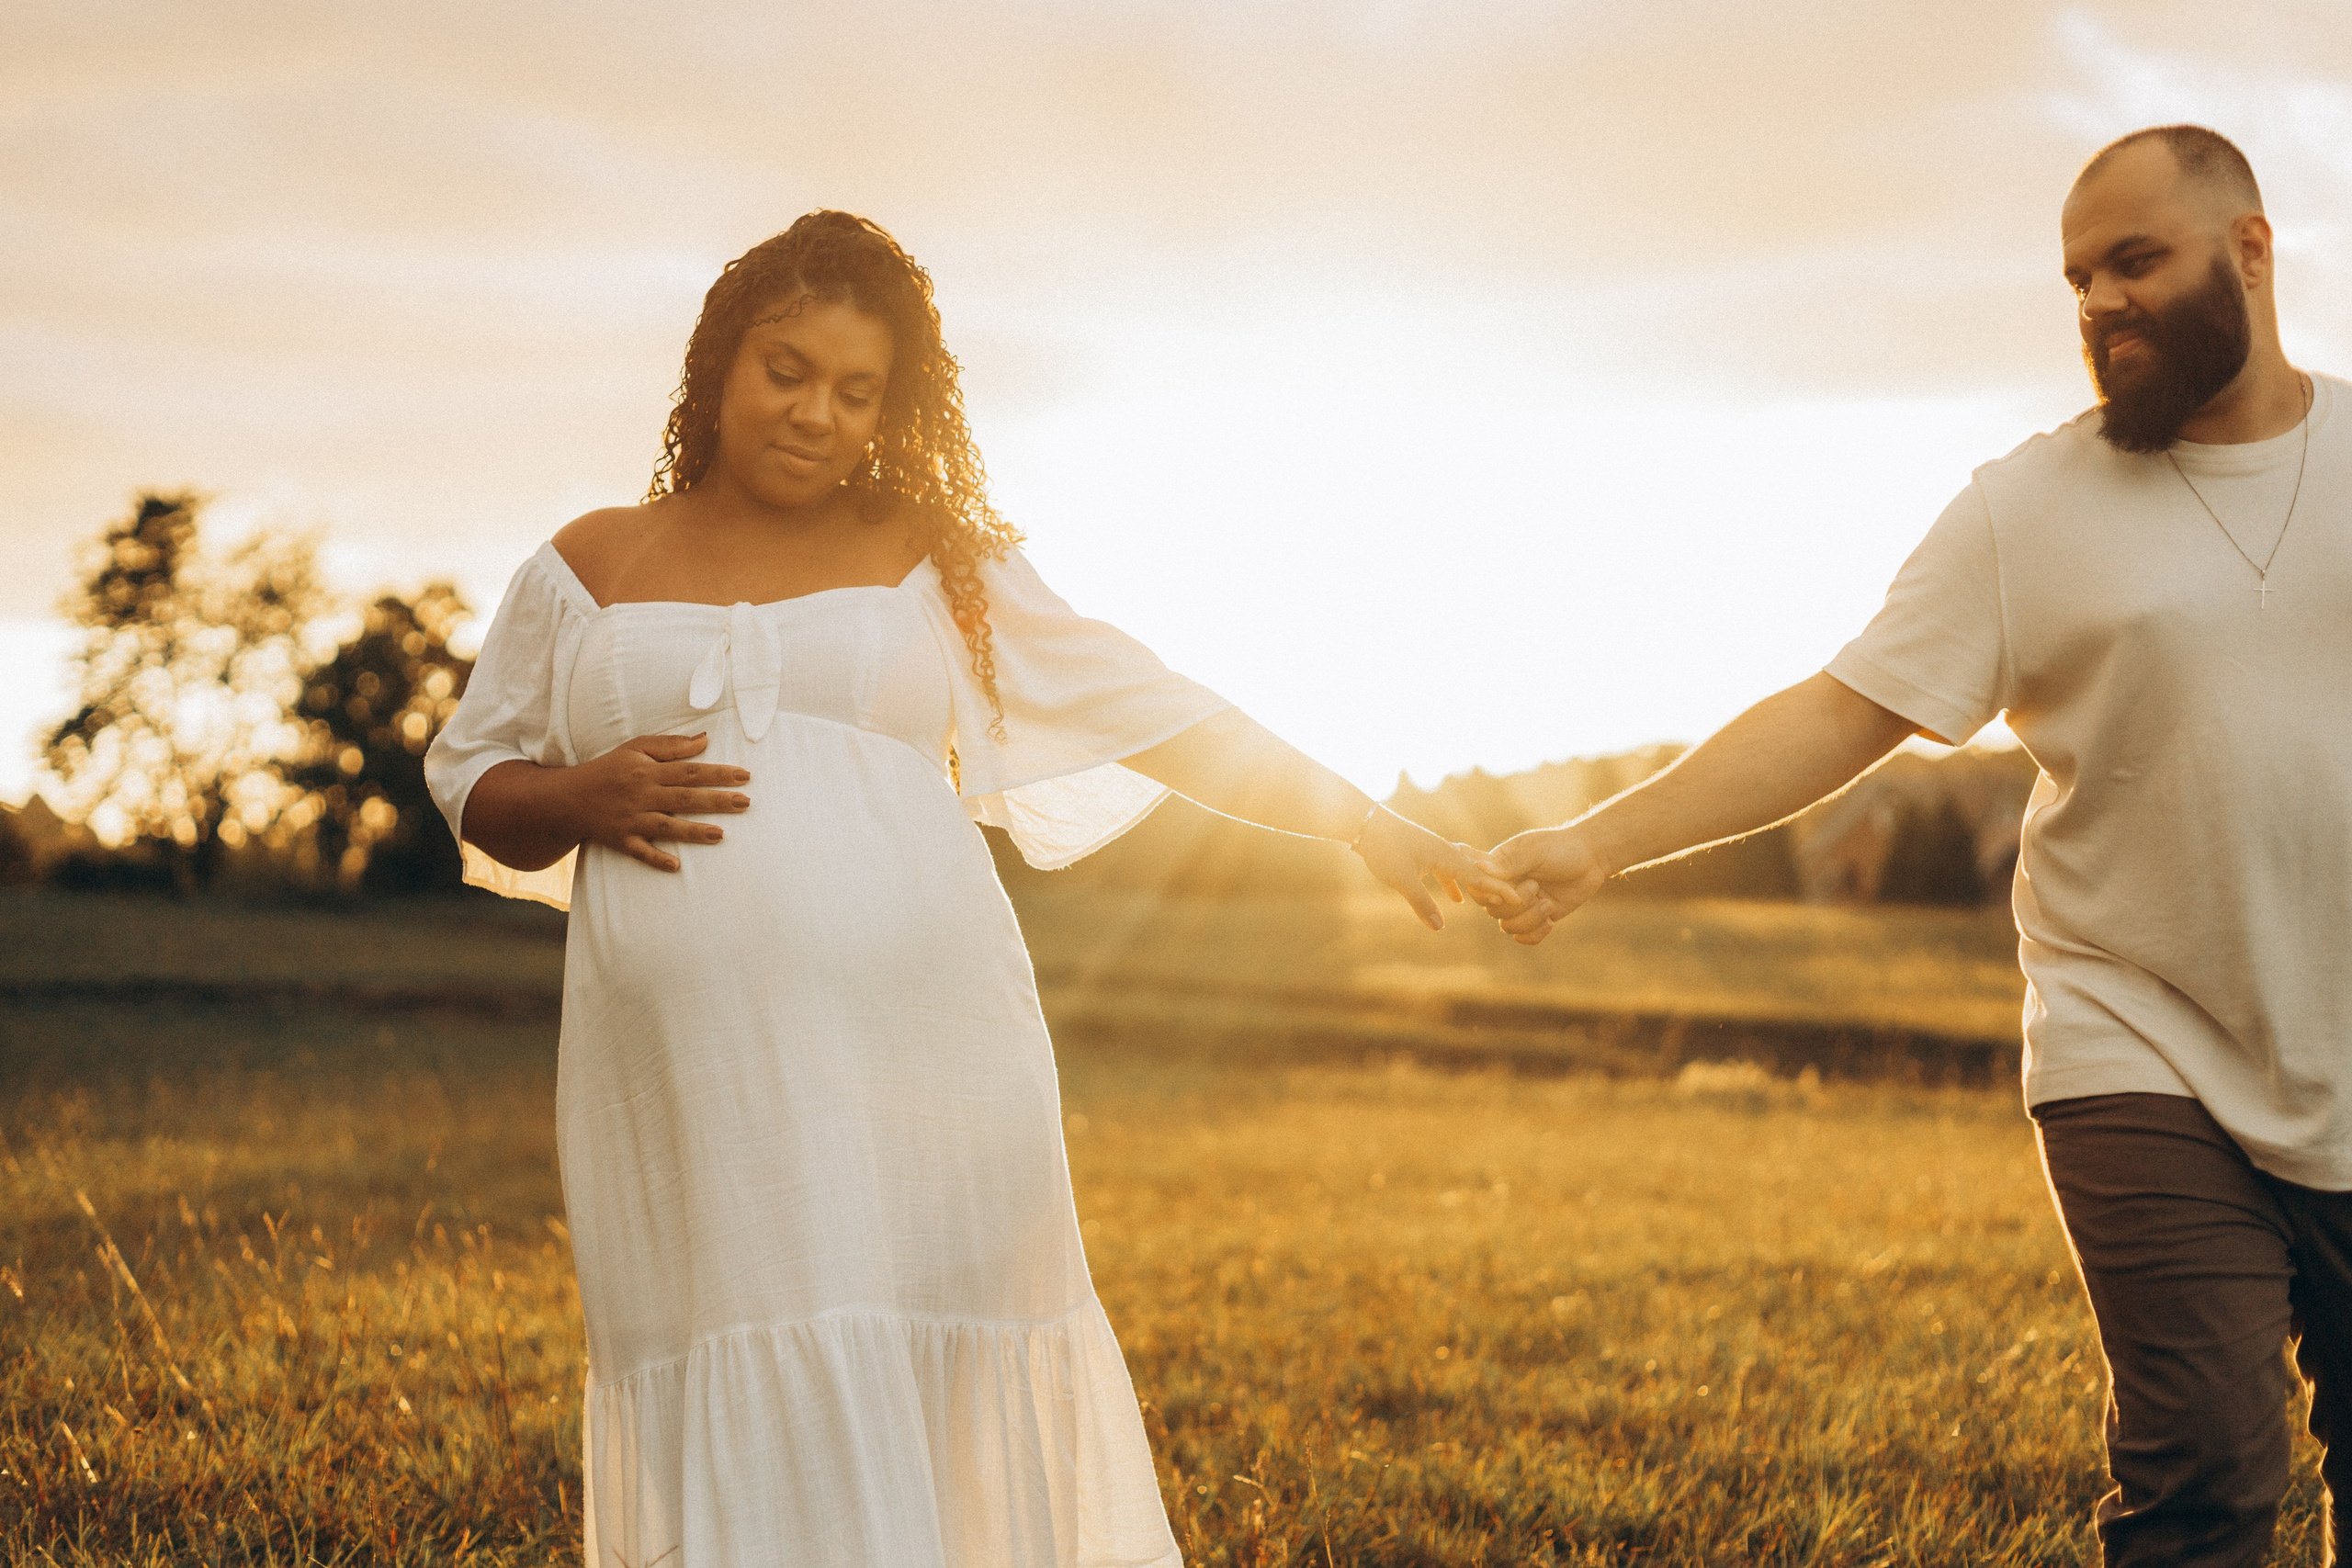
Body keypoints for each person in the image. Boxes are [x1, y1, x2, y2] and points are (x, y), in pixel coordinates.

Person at [424, 210, 1506, 1568]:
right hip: (692, 1077)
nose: (816, 412)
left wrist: (1358, 820)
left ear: (892, 410)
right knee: (741, 1340)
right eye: (786, 369)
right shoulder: (587, 565)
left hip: (925, 1054)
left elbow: (1147, 703)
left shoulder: (938, 564)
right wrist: (578, 796)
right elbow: (473, 781)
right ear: (716, 369)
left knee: (934, 1366)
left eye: (856, 390)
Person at [1481, 125, 2352, 1566]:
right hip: (2141, 1037)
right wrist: (1600, 840)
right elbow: (1840, 715)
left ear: (2252, 250)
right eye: (2079, 279)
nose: (2102, 304)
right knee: (2205, 1468)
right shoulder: (2028, 509)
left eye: (2136, 260)